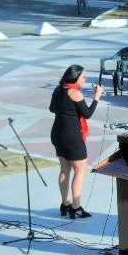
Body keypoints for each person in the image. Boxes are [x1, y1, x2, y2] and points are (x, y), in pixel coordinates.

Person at [49, 65, 103, 219]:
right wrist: (97, 96)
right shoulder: (75, 93)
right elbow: (87, 114)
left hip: (57, 134)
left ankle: (65, 204)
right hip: (71, 137)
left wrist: (65, 111)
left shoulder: (59, 89)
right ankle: (76, 206)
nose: (85, 78)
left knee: (64, 169)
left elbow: (52, 108)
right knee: (80, 171)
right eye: (84, 76)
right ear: (76, 77)